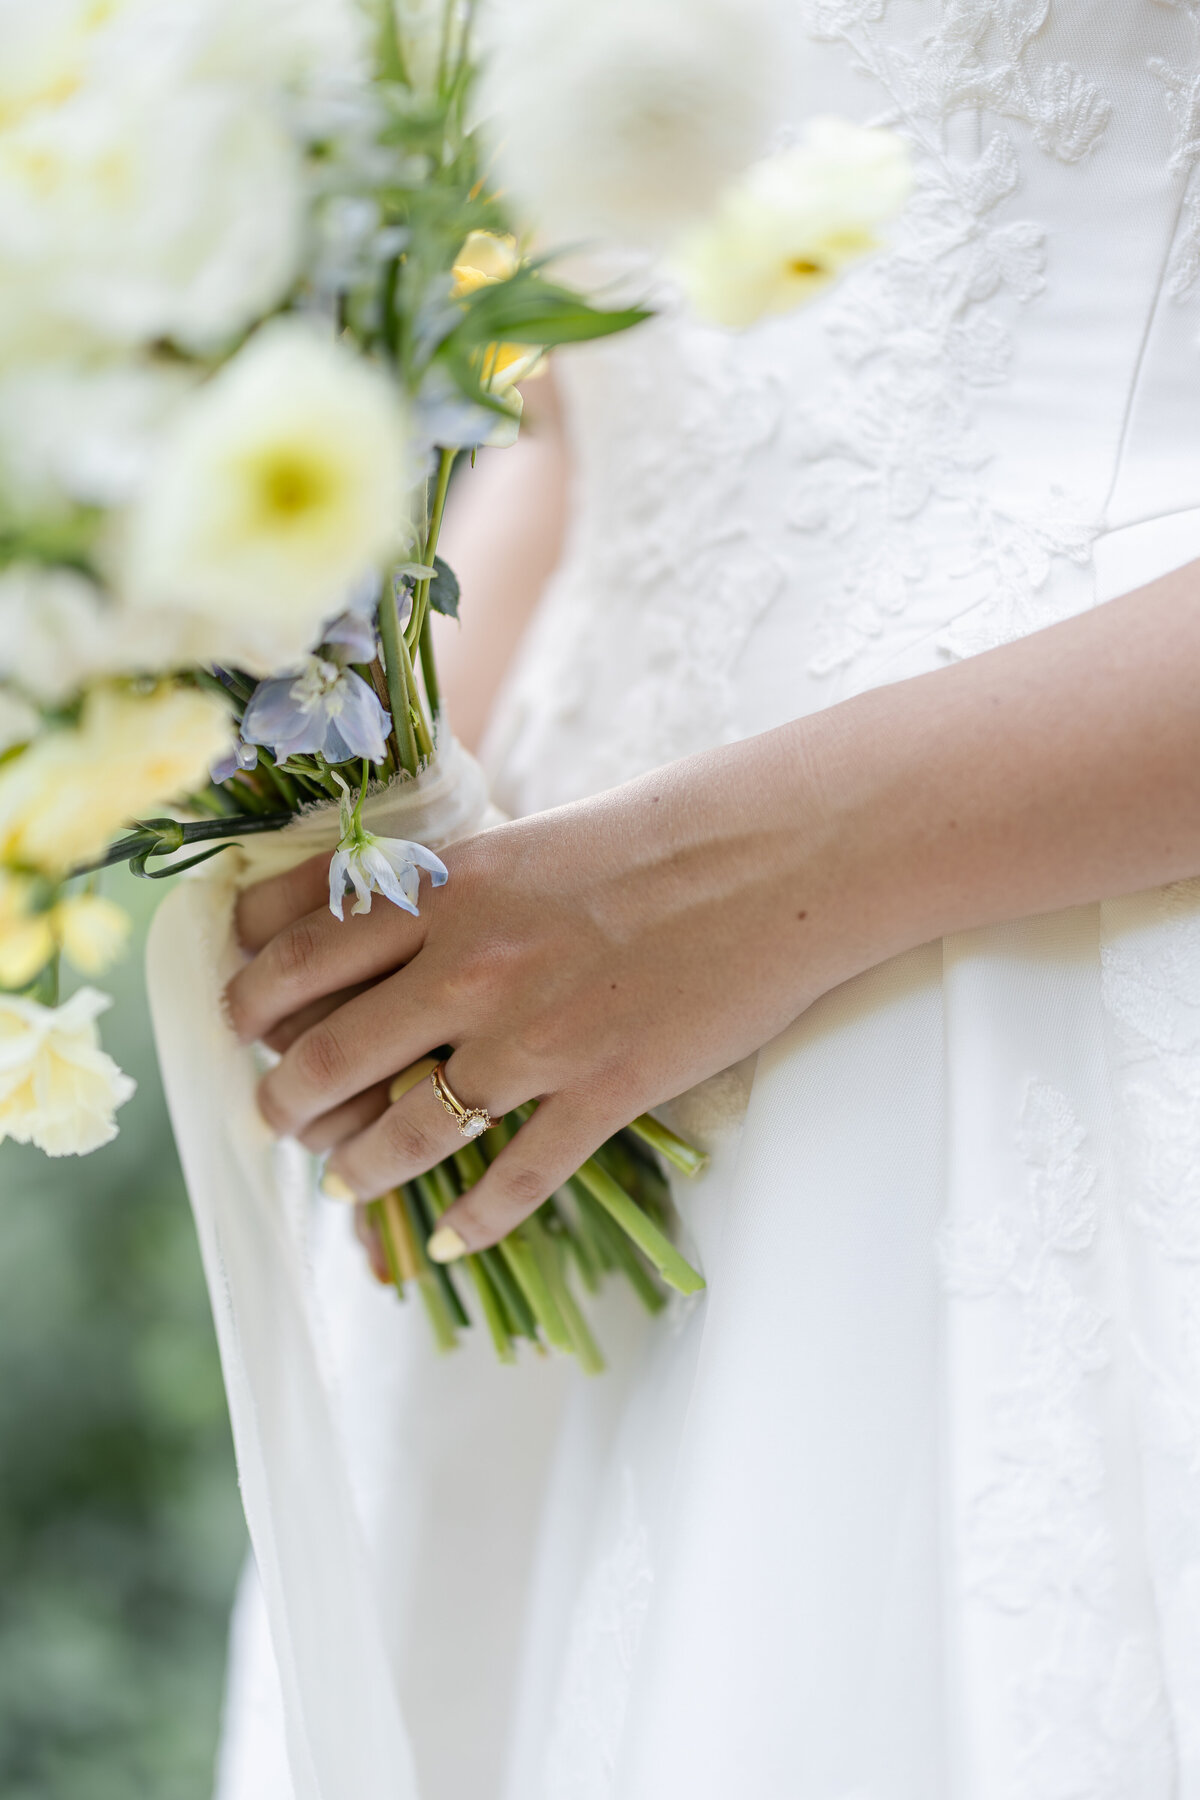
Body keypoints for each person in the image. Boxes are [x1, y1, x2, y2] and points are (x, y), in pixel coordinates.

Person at [218, 7, 1200, 1795]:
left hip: (1056, 929)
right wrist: (352, 799)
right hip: (542, 1001)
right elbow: (600, 404)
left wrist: (735, 884)